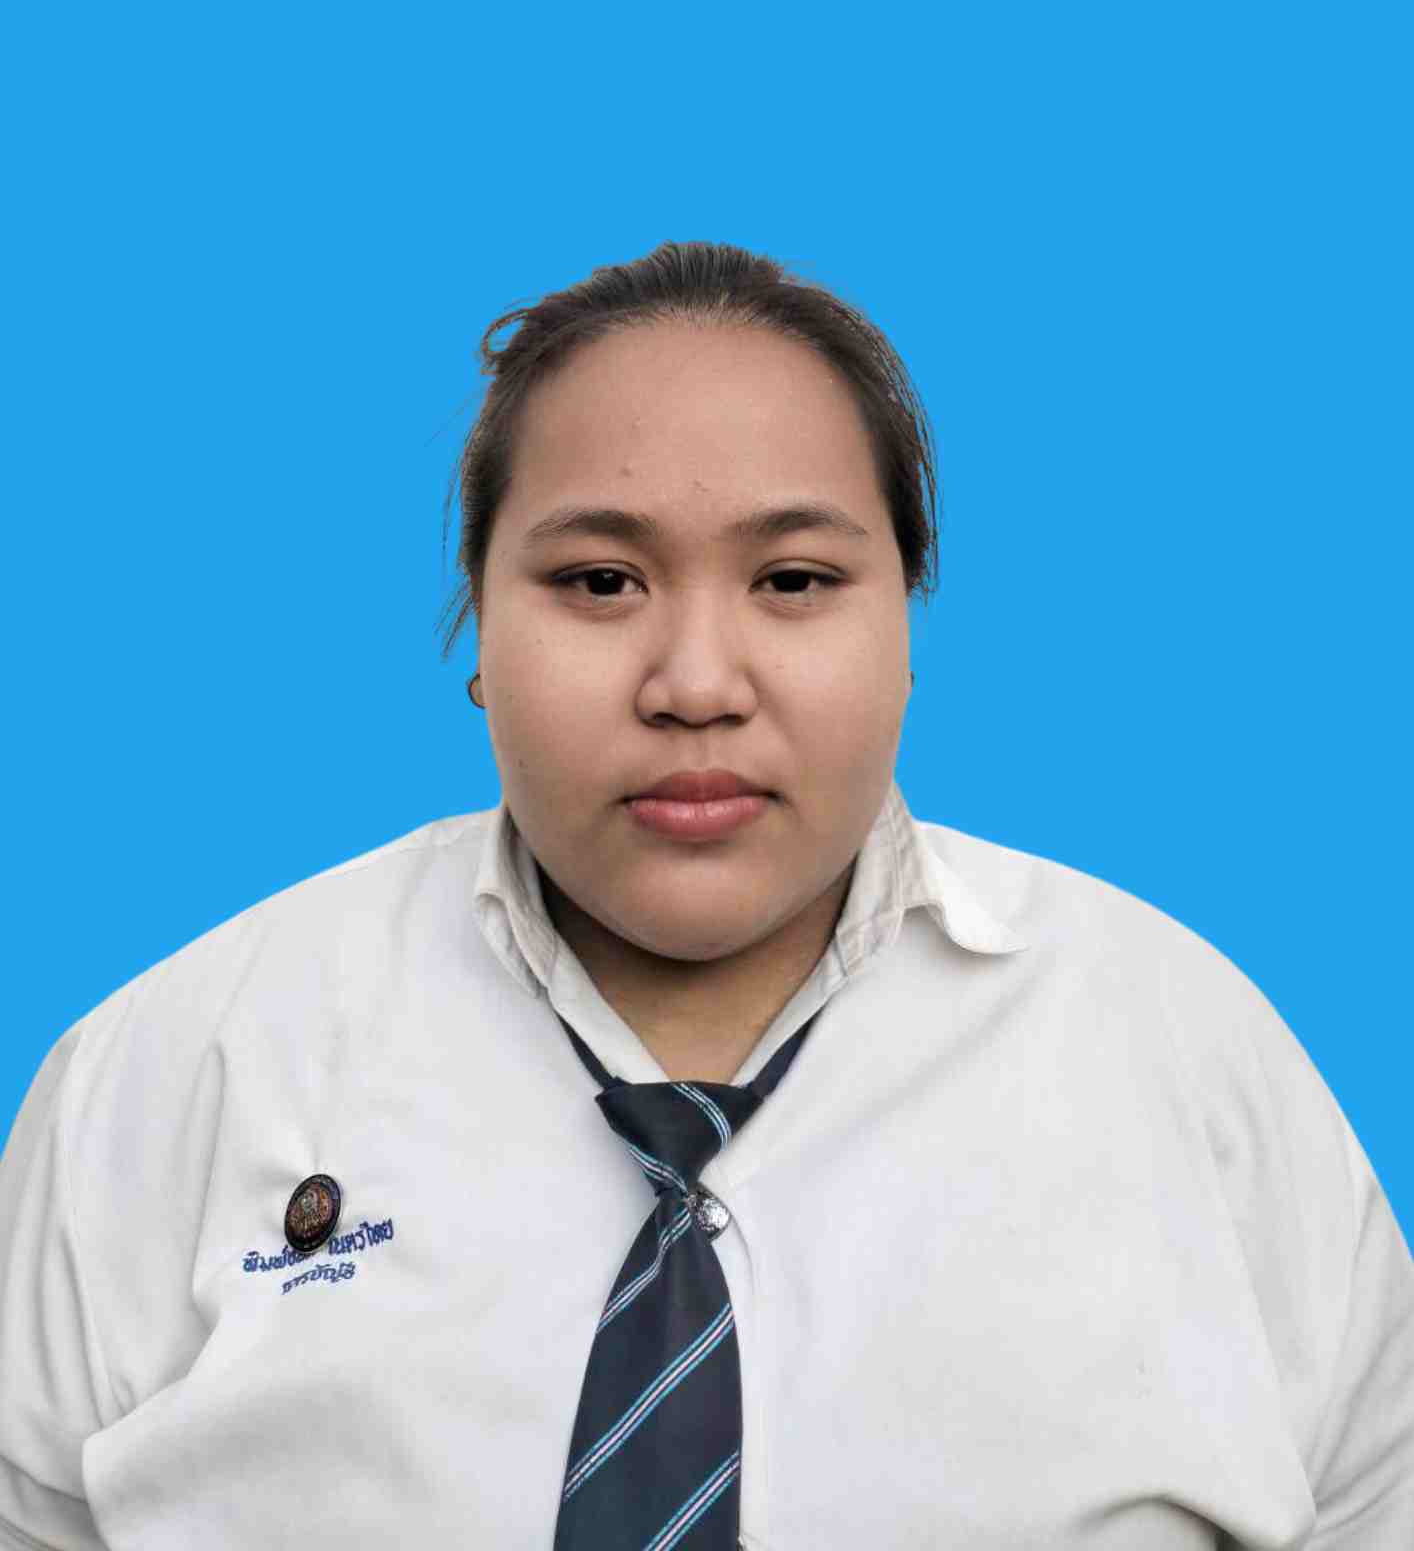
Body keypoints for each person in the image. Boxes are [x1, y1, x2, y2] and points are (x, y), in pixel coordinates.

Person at [1, 239, 1411, 1549]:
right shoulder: (177, 1067)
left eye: (792, 579)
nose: (693, 685)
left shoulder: (1181, 1049)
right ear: (478, 624)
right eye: (599, 580)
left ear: (904, 623)